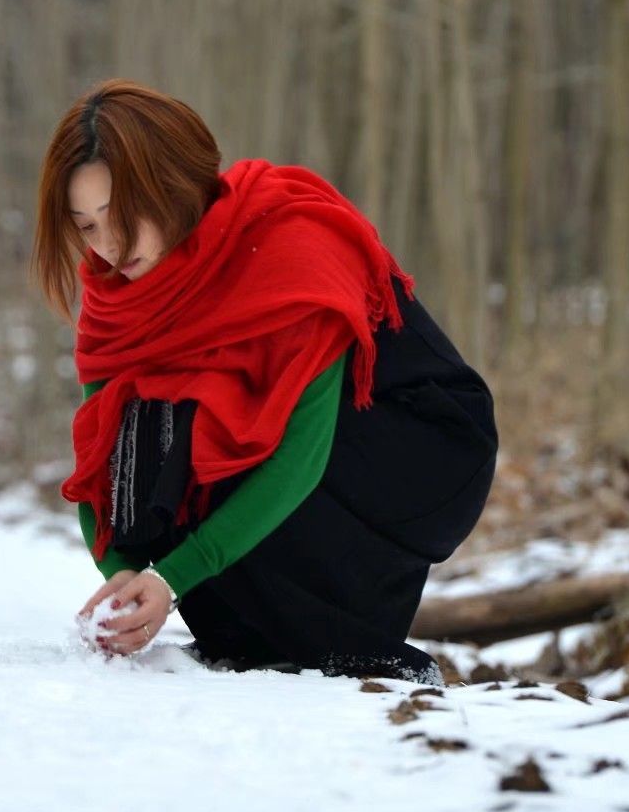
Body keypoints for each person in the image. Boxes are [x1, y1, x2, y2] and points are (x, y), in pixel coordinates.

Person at [29, 78, 498, 684]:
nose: (110, 246)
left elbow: (302, 453)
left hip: (418, 446)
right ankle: (253, 640)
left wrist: (173, 576)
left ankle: (344, 645)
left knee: (203, 422)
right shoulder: (116, 295)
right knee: (160, 426)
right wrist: (121, 567)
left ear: (173, 185)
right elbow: (102, 451)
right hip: (304, 449)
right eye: (87, 227)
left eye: (121, 215)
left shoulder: (291, 249)